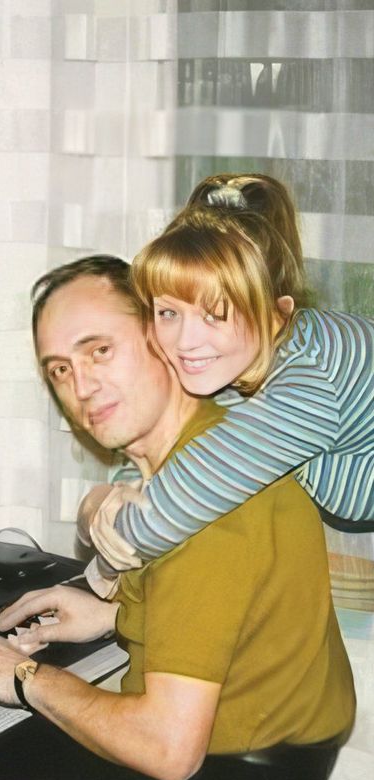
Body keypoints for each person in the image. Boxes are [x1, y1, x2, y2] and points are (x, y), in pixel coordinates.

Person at [0, 256, 355, 780]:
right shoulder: (211, 456)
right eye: (60, 369)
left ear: (162, 340)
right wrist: (117, 614)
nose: (82, 386)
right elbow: (228, 613)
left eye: (100, 350)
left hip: (228, 772)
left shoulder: (202, 507)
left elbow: (167, 753)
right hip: (264, 748)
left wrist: (20, 675)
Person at [81, 174, 373, 579]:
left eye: (216, 312)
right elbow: (162, 451)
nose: (186, 342)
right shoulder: (239, 353)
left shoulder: (306, 386)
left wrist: (96, 522)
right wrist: (115, 493)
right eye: (168, 312)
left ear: (275, 307)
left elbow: (152, 524)